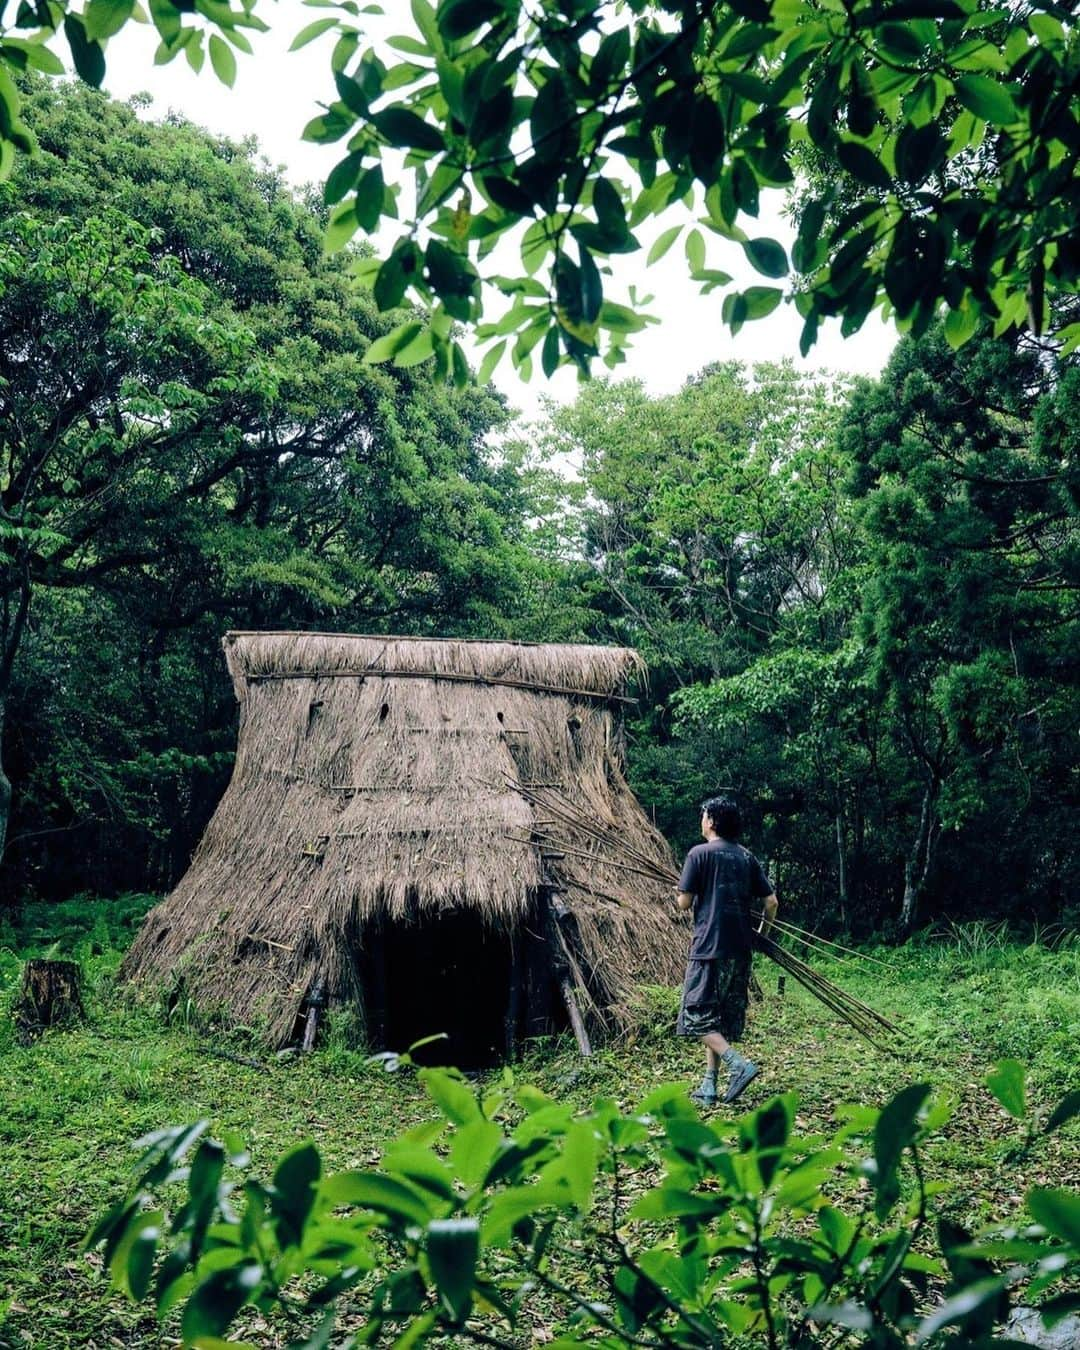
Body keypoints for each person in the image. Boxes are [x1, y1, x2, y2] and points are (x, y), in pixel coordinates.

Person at [675, 796, 778, 1107]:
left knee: (694, 1018)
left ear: (712, 821)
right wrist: (762, 935)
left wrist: (678, 894)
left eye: (704, 815)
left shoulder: (699, 854)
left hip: (708, 948)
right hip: (740, 950)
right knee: (716, 1019)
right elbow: (771, 902)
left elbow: (684, 903)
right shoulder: (747, 858)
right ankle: (709, 1086)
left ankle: (739, 1065)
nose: (702, 819)